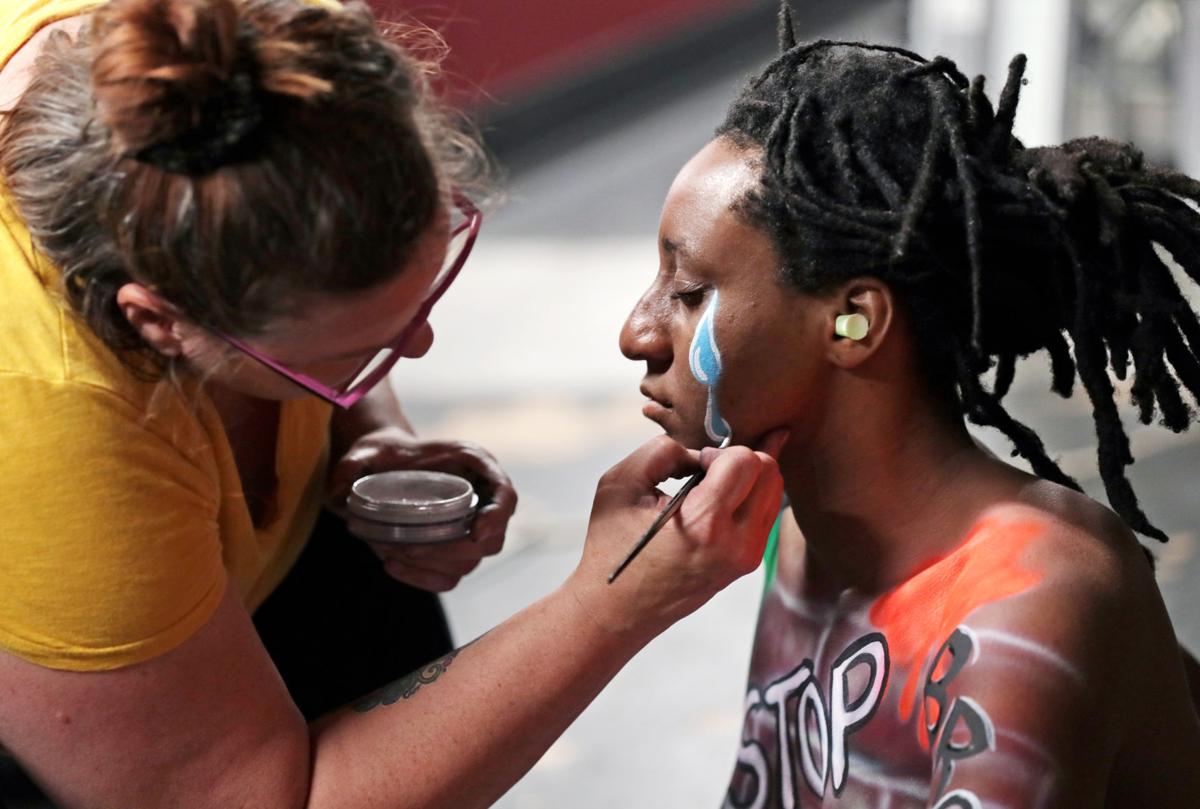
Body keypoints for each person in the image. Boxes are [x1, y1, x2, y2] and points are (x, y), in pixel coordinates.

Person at [0, 0, 787, 805]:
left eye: (416, 302)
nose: (416, 350)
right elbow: (256, 796)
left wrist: (371, 429)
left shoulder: (284, 69)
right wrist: (610, 605)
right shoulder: (41, 420)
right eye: (350, 355)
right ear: (162, 323)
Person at [619, 7, 1200, 807]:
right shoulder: (801, 534)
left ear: (853, 320)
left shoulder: (1022, 606)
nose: (637, 332)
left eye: (686, 292)